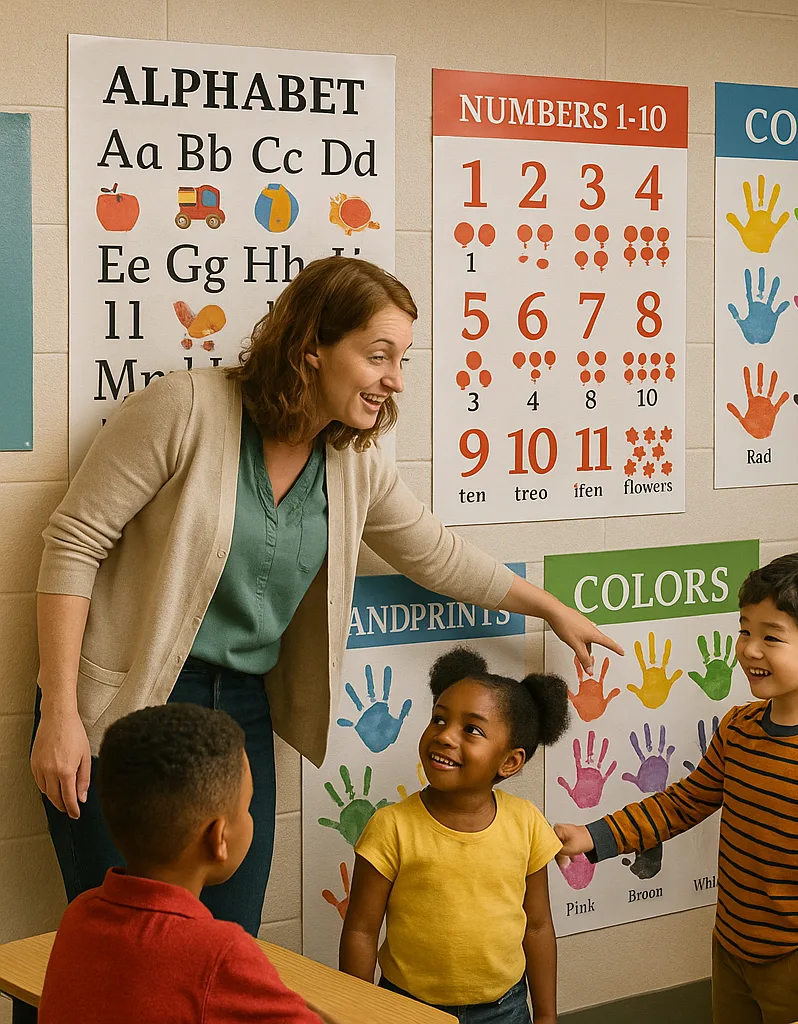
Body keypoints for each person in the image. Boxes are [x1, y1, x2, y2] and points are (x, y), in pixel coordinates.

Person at [30, 256, 621, 936]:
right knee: (127, 941)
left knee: (227, 939)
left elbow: (435, 552)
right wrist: (61, 712)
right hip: (128, 706)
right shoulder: (184, 407)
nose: (394, 379)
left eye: (401, 359)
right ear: (311, 347)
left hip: (241, 714)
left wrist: (551, 607)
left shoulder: (353, 460)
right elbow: (73, 543)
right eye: (378, 356)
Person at [554, 552, 798, 1024]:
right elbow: (683, 802)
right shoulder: (739, 726)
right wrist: (593, 838)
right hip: (730, 950)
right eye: (745, 629)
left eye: (772, 637)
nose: (749, 649)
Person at [39, 703, 325, 1024]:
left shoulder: (80, 915)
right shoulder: (222, 954)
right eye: (246, 807)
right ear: (218, 837)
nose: (249, 817)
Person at [340, 647, 569, 1024]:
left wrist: (546, 1016)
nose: (445, 736)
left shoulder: (526, 823)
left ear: (510, 761)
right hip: (404, 1007)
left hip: (504, 1011)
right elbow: (361, 932)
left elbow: (539, 926)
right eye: (438, 720)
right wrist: (355, 1015)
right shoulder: (391, 826)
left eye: (472, 729)